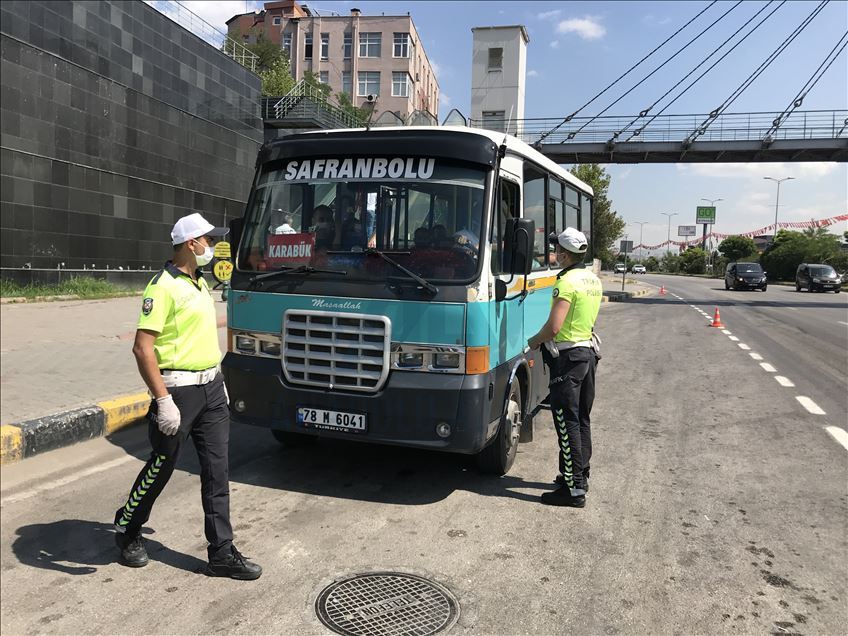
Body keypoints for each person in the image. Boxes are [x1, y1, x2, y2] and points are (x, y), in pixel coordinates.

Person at [113, 212, 262, 579]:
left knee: (217, 470)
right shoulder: (161, 287)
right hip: (179, 392)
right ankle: (127, 527)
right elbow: (142, 349)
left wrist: (216, 376)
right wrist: (162, 399)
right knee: (161, 467)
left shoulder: (198, 283)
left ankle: (222, 552)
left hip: (211, 388)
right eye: (208, 240)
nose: (212, 247)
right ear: (191, 244)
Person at [527, 228, 602, 508]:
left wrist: (534, 341)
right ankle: (578, 476)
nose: (555, 253)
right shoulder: (592, 280)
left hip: (568, 358)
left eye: (557, 249)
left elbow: (555, 326)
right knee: (581, 418)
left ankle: (573, 491)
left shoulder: (567, 282)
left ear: (566, 253)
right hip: (587, 354)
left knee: (565, 420)